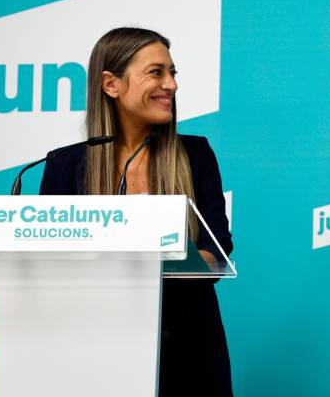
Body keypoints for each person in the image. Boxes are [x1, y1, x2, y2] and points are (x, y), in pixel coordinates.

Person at [39, 27, 234, 397]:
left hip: (189, 355)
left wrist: (153, 261)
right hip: (91, 351)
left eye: (172, 73)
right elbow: (49, 264)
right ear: (111, 84)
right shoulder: (64, 165)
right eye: (156, 72)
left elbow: (217, 255)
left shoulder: (195, 155)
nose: (171, 85)